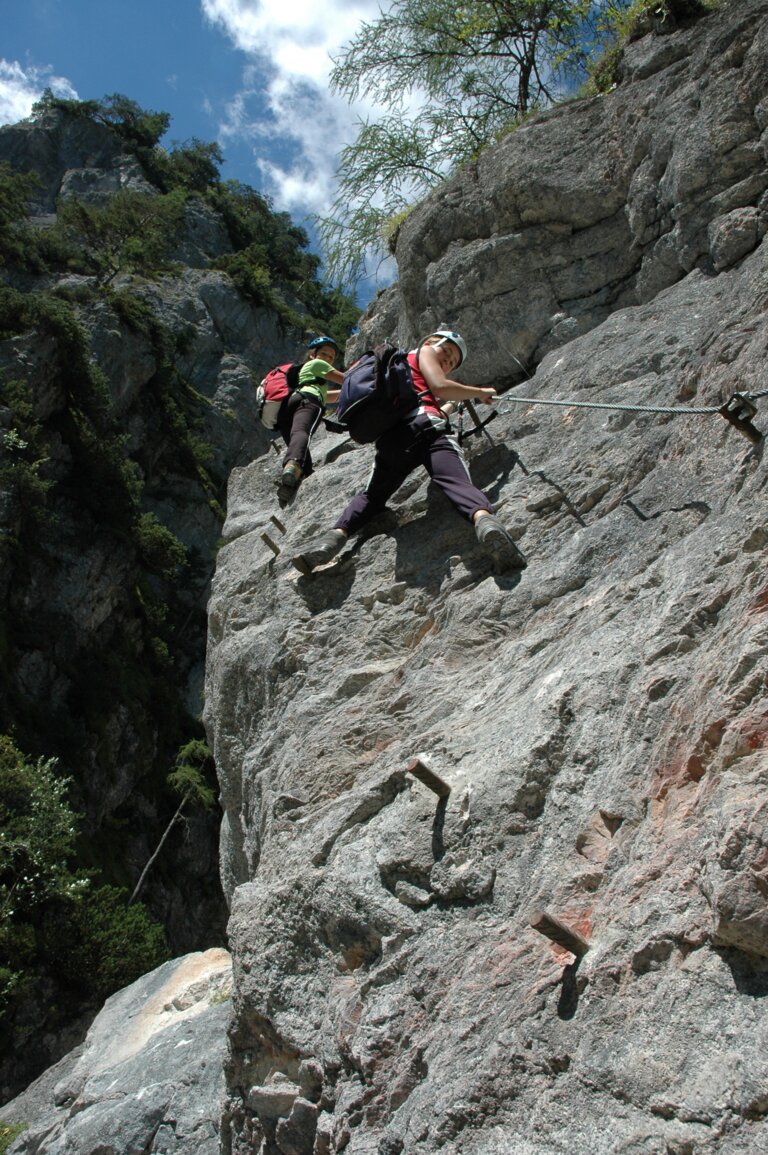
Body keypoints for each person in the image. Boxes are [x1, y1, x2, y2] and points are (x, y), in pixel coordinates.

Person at [291, 329, 527, 574]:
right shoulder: (422, 353)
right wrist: (480, 393)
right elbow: (440, 387)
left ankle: (334, 538)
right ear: (429, 343)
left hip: (392, 439)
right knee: (456, 480)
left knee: (372, 495)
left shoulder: (392, 373)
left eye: (451, 362)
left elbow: (346, 396)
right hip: (427, 428)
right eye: (445, 352)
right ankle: (485, 522)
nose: (446, 361)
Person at [276, 336, 345, 503]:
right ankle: (293, 466)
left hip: (292, 404)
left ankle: (295, 480)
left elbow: (327, 396)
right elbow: (348, 380)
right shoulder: (318, 365)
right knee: (302, 432)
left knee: (297, 438)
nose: (328, 358)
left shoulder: (306, 374)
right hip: (309, 401)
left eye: (331, 357)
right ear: (312, 354)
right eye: (324, 354)